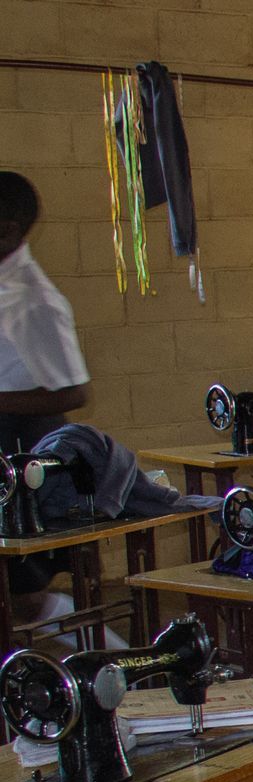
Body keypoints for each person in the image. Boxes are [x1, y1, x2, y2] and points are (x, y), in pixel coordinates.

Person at [0, 171, 94, 619]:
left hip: (20, 454)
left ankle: (110, 673)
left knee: (23, 601)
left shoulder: (34, 300)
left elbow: (75, 390)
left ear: (9, 229)